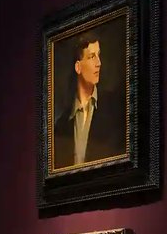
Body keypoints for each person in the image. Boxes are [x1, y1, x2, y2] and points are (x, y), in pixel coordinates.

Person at [52, 32, 125, 169]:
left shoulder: (114, 108)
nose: (99, 63)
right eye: (92, 57)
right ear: (78, 67)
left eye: (98, 55)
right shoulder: (61, 126)